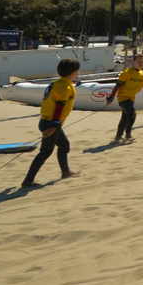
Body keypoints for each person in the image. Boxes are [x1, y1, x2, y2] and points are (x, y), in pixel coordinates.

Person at [21, 57, 81, 188]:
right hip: (51, 123)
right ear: (74, 72)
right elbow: (59, 107)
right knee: (45, 152)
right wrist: (53, 127)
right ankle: (27, 181)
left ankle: (65, 172)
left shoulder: (56, 83)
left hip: (47, 121)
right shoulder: (65, 87)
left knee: (64, 145)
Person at [105, 52, 143, 143]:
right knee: (132, 114)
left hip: (132, 98)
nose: (141, 63)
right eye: (139, 61)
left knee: (125, 117)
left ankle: (118, 137)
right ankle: (128, 134)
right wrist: (111, 97)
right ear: (133, 62)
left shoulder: (142, 74)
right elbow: (117, 86)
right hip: (123, 97)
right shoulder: (127, 73)